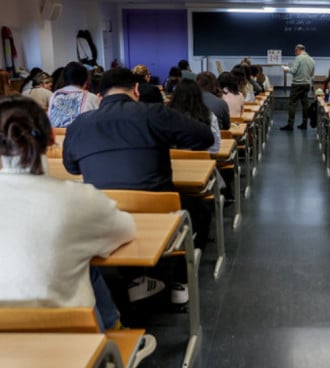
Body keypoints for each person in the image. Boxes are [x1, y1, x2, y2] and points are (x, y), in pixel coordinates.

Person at [62, 68, 214, 303]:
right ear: (136, 90)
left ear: (99, 96)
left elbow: (72, 168)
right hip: (158, 210)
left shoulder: (79, 124)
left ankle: (137, 280)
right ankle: (180, 283)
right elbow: (205, 137)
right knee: (201, 210)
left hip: (104, 213)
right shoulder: (154, 113)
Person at [0, 96, 135, 331]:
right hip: (74, 344)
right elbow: (126, 230)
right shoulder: (78, 198)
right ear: (52, 136)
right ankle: (115, 330)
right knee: (84, 262)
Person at [169, 79, 221, 154]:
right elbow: (215, 148)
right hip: (203, 163)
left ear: (176, 95)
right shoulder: (209, 116)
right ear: (199, 96)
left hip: (173, 163)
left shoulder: (167, 116)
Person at [48, 61, 99, 127]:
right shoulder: (91, 97)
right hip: (81, 135)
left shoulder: (55, 95)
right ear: (85, 80)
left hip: (56, 135)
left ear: (65, 78)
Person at [281, 44, 315, 130]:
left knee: (292, 104)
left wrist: (286, 69)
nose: (295, 53)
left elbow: (293, 70)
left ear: (298, 50)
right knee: (305, 105)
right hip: (306, 84)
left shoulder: (298, 58)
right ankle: (304, 124)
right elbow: (311, 74)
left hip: (297, 84)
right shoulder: (311, 59)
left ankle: (290, 124)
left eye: (295, 51)